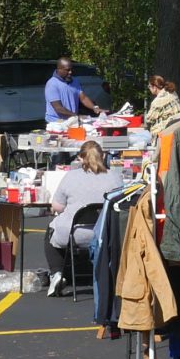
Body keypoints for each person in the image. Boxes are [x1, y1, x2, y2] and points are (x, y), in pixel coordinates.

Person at [44, 141, 113, 295]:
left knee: (51, 230)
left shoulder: (71, 176)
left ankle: (57, 273)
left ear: (80, 158)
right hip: (105, 234)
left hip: (73, 233)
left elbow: (57, 206)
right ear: (102, 156)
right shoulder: (114, 177)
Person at [43, 57, 98, 125]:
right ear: (59, 70)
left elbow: (83, 98)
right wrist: (76, 116)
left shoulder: (74, 81)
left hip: (71, 120)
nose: (70, 72)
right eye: (67, 70)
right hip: (56, 123)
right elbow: (58, 108)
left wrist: (94, 107)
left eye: (71, 69)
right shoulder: (52, 84)